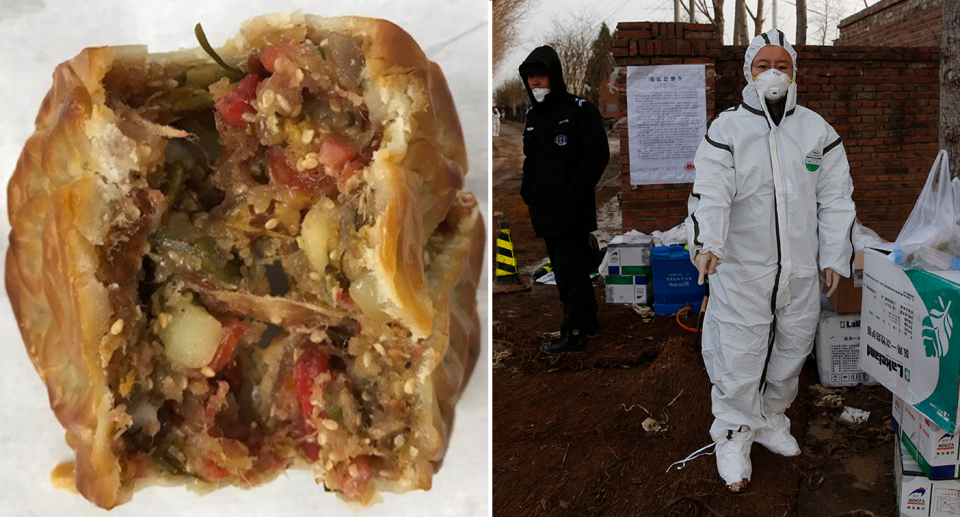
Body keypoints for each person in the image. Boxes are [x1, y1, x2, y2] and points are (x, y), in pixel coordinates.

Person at [685, 29, 856, 492]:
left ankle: (771, 418)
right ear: (748, 72)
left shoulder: (816, 131)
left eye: (783, 65)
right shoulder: (727, 129)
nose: (774, 73)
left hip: (800, 267)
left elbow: (836, 199)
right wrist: (709, 244)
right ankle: (735, 433)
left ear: (795, 72)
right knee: (739, 351)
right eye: (764, 65)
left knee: (793, 346)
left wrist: (834, 256)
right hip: (742, 267)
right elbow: (711, 191)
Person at [517, 45, 610, 355]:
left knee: (569, 273)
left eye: (540, 76)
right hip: (545, 211)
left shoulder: (580, 111)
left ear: (553, 76)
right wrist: (527, 190)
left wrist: (573, 193)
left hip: (571, 210)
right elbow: (531, 159)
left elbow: (596, 156)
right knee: (568, 268)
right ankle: (590, 324)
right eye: (530, 78)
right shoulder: (533, 115)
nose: (534, 83)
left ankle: (574, 331)